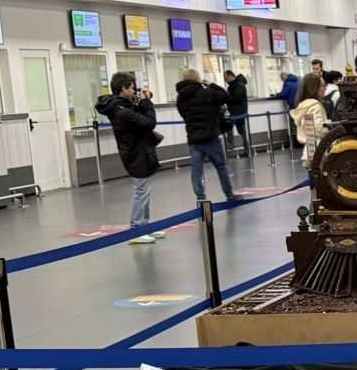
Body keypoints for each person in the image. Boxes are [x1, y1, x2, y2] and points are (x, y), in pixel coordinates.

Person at [96, 73, 161, 244]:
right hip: (135, 155)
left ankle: (145, 227)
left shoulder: (123, 106)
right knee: (141, 191)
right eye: (132, 88)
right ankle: (136, 230)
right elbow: (149, 122)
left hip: (140, 151)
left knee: (144, 191)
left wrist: (143, 101)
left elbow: (140, 116)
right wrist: (146, 103)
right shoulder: (121, 112)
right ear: (123, 89)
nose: (134, 91)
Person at [175, 68, 237, 203]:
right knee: (221, 166)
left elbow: (183, 114)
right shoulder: (207, 92)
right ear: (197, 78)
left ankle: (201, 197)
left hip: (194, 138)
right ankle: (229, 194)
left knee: (196, 170)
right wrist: (212, 85)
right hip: (210, 137)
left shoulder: (180, 98)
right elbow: (227, 97)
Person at [292, 72, 329, 166]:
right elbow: (317, 128)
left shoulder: (305, 105)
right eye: (322, 86)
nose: (325, 88)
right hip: (318, 152)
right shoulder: (314, 105)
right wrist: (329, 126)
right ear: (314, 88)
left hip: (310, 150)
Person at [225, 71, 251, 157]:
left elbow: (236, 98)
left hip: (238, 111)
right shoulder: (234, 85)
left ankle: (231, 144)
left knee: (228, 125)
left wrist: (226, 98)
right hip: (237, 111)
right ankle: (247, 150)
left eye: (226, 78)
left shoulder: (238, 85)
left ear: (231, 76)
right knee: (242, 131)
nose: (225, 80)